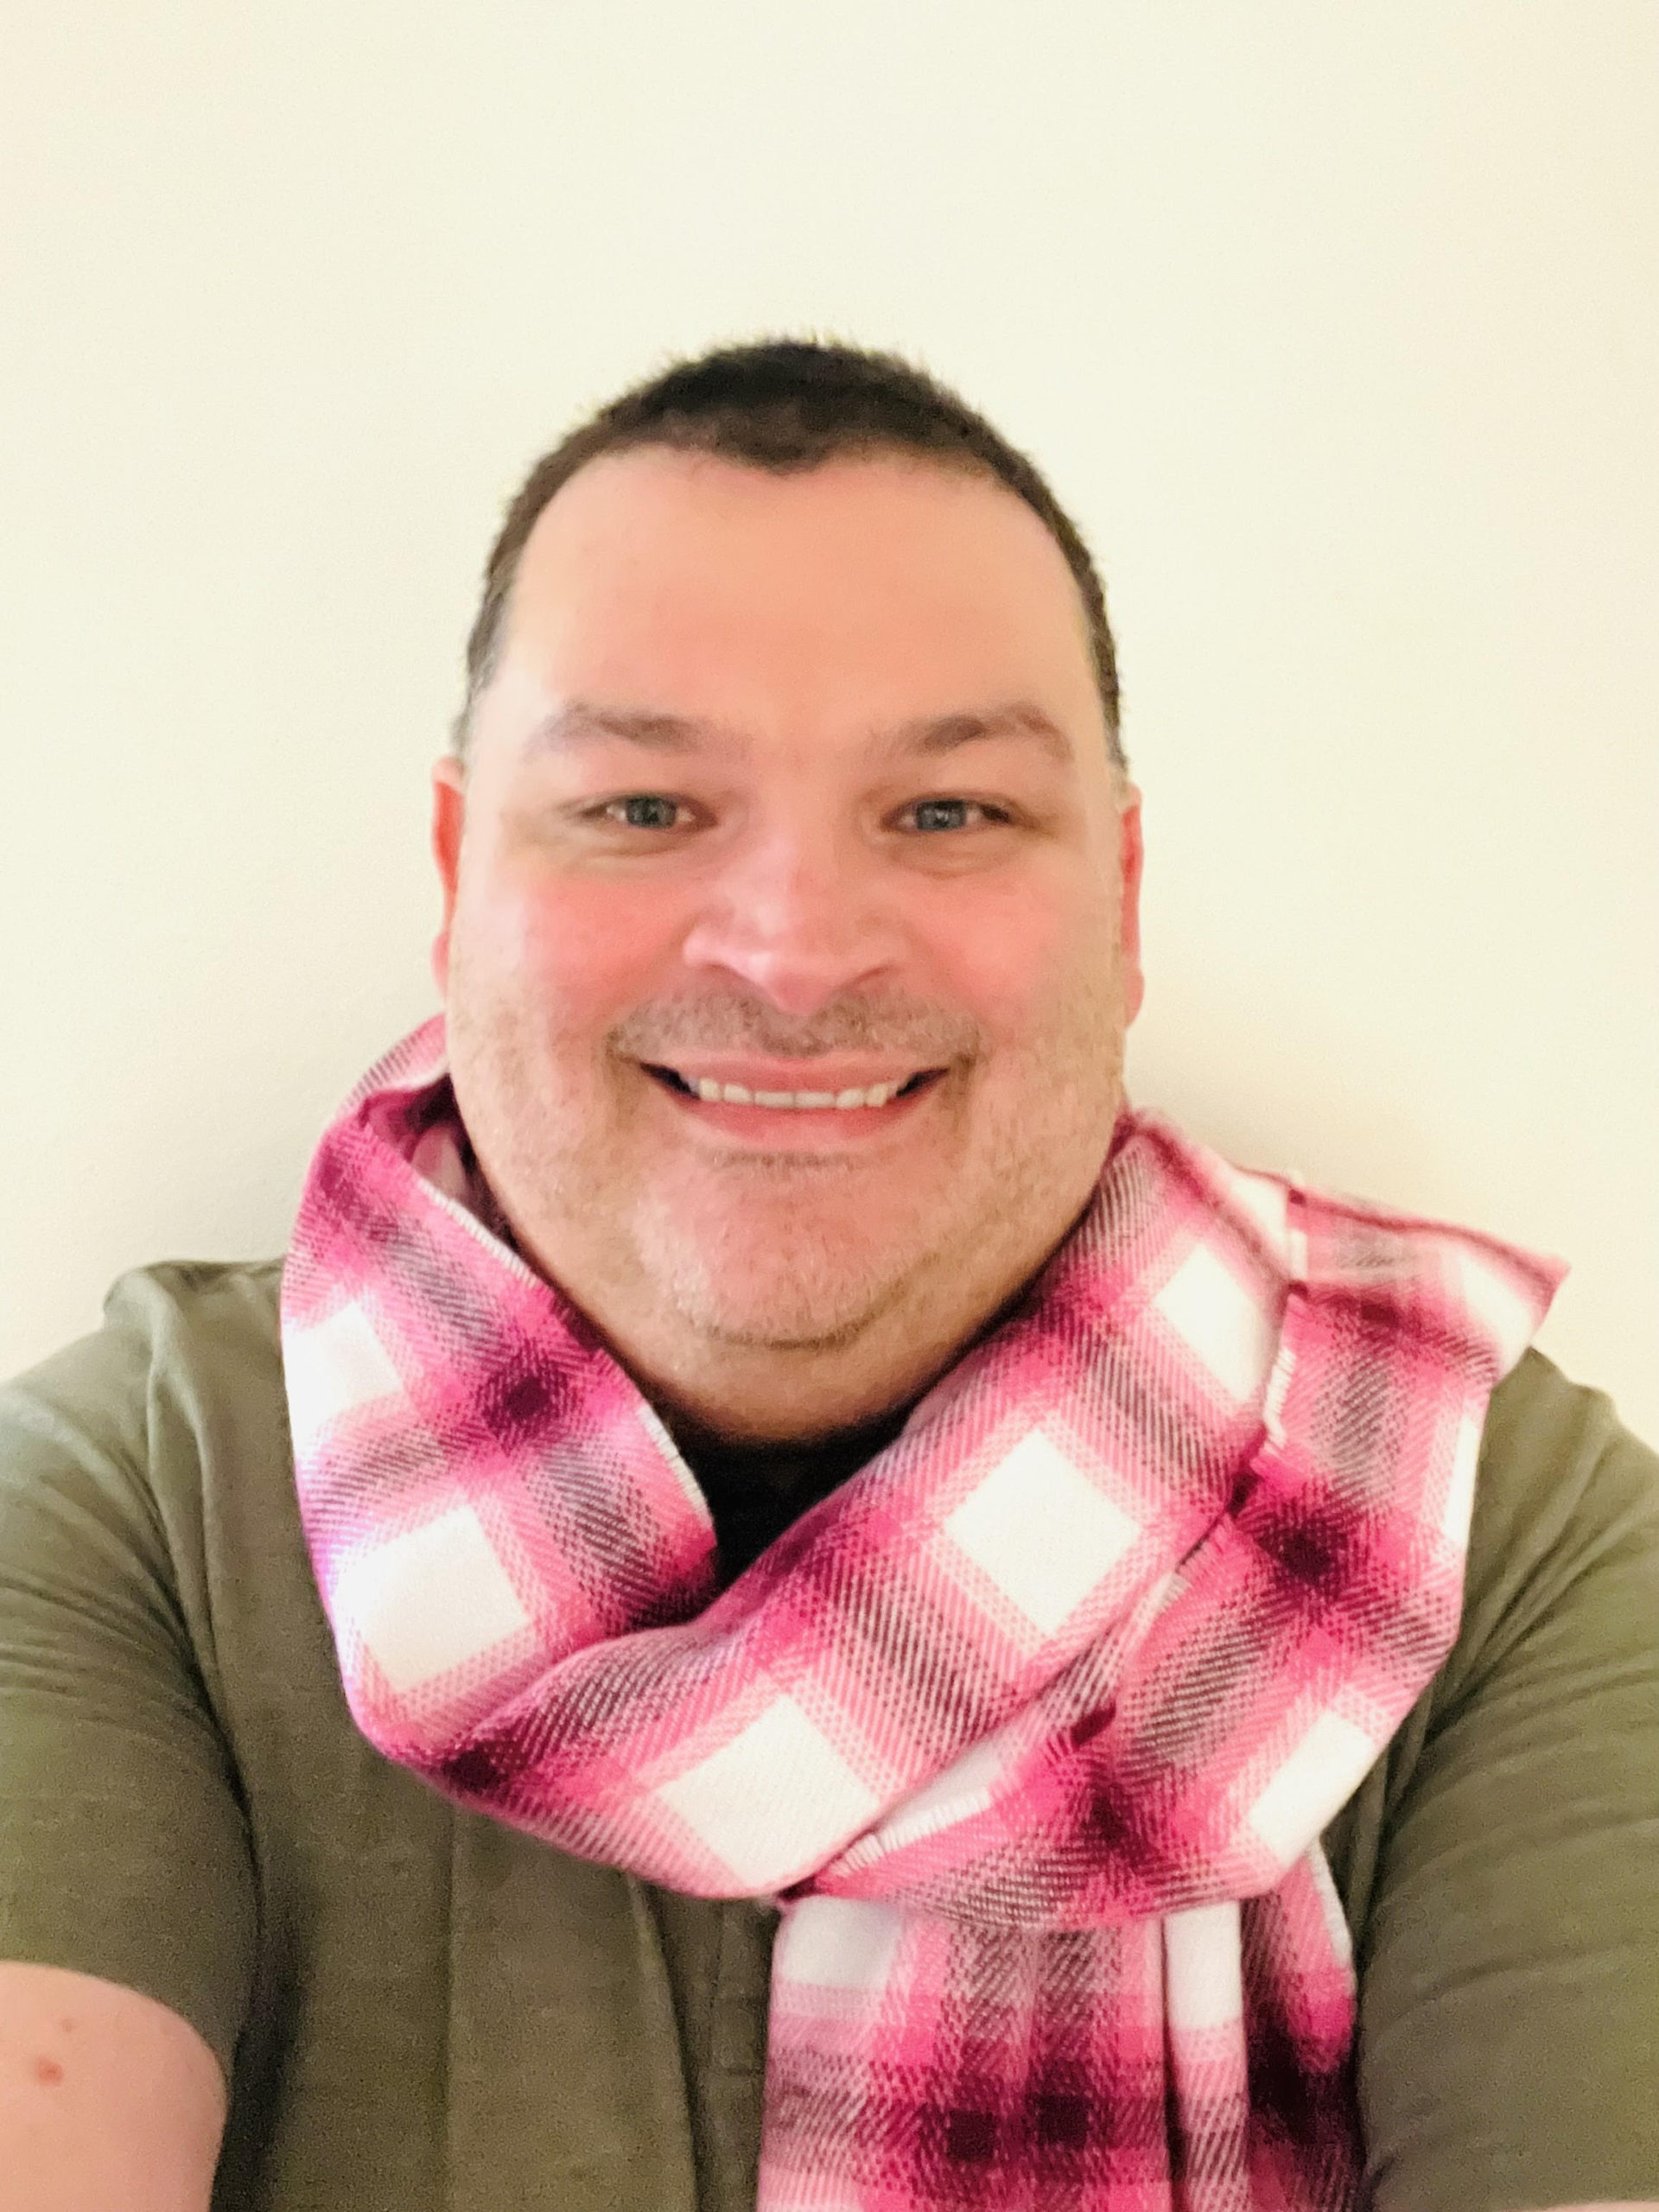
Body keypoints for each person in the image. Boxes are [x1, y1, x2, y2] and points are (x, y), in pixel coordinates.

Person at [1, 340, 1655, 2212]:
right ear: (460, 876)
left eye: (947, 812)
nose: (792, 951)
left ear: (1120, 901)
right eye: (643, 806)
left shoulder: (1489, 1519)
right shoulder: (131, 1502)